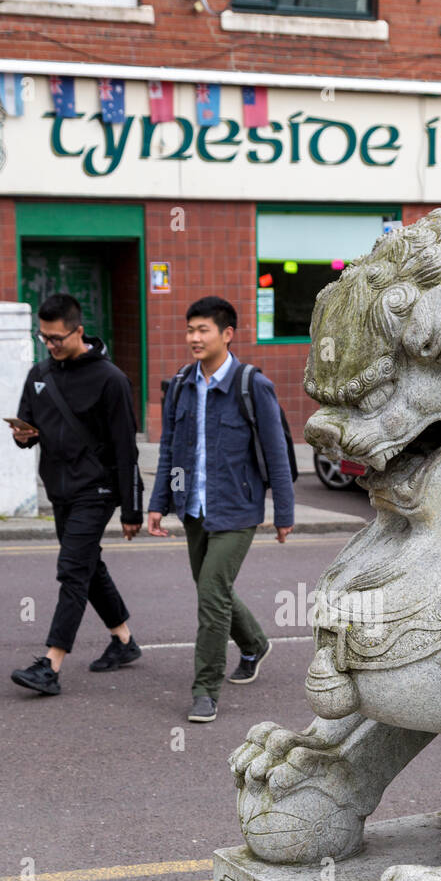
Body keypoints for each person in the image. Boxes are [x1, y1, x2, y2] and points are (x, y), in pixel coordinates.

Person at [147, 296, 295, 724]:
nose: (194, 338)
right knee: (213, 588)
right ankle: (255, 644)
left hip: (238, 510)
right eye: (190, 329)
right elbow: (172, 452)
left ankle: (205, 691)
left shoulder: (252, 386)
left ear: (227, 334)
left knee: (211, 595)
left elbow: (276, 454)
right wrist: (160, 503)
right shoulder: (181, 385)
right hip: (193, 509)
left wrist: (283, 514)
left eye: (203, 330)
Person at [8, 293, 144, 696]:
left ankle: (50, 663)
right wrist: (22, 435)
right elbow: (27, 430)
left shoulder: (111, 380)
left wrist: (132, 506)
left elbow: (126, 449)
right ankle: (123, 640)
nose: (50, 346)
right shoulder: (38, 375)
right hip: (60, 489)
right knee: (87, 564)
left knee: (71, 569)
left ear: (78, 331)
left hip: (96, 490)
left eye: (57, 338)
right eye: (44, 338)